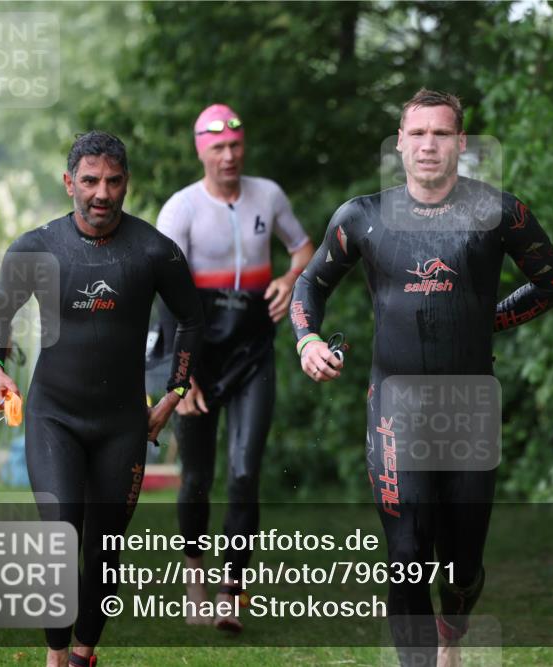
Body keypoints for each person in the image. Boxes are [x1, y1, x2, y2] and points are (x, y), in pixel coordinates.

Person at [291, 88, 553, 666]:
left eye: (441, 134)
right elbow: (310, 285)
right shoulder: (361, 217)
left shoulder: (498, 211)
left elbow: (552, 283)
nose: (428, 146)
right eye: (417, 134)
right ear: (400, 143)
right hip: (395, 409)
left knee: (463, 565)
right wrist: (309, 340)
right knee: (406, 553)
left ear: (460, 143)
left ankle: (453, 627)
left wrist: (487, 319)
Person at [0, 131, 204, 667]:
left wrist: (173, 393)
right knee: (59, 539)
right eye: (90, 181)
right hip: (52, 413)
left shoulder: (154, 250)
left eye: (113, 181)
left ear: (126, 183)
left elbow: (192, 322)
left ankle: (83, 654)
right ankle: (56, 658)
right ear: (68, 184)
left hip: (123, 424)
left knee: (103, 551)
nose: (102, 193)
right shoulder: (37, 247)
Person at [155, 103, 313, 632]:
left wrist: (290, 281)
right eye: (218, 147)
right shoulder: (180, 209)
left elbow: (304, 248)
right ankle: (194, 576)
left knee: (245, 472)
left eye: (236, 146)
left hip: (253, 355)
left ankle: (231, 589)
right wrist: (182, 374)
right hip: (199, 357)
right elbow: (167, 296)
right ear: (201, 150)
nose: (228, 156)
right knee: (197, 476)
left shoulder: (267, 194)